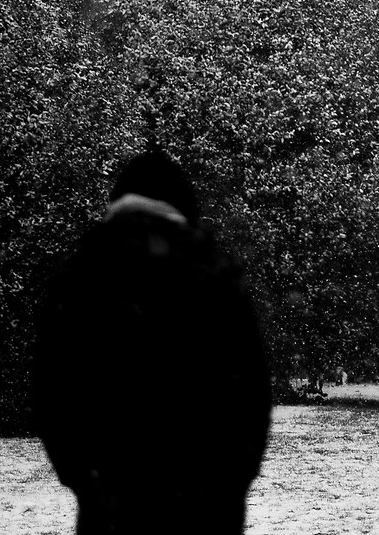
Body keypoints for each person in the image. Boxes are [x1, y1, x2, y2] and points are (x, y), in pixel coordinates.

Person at [31, 150, 272, 535]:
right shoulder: (215, 277)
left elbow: (53, 392)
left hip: (111, 505)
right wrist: (228, 488)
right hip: (203, 505)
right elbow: (250, 397)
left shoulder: (81, 275)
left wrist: (87, 482)